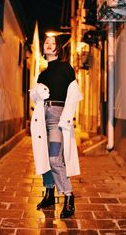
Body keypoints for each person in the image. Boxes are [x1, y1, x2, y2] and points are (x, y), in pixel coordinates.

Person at [29, 35, 83, 219]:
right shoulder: (42, 74)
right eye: (46, 43)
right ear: (43, 49)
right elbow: (36, 97)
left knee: (54, 159)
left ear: (58, 48)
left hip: (57, 117)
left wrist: (67, 117)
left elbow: (74, 94)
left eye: (53, 43)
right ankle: (49, 194)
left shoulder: (66, 68)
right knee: (43, 156)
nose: (49, 45)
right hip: (41, 116)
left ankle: (69, 197)